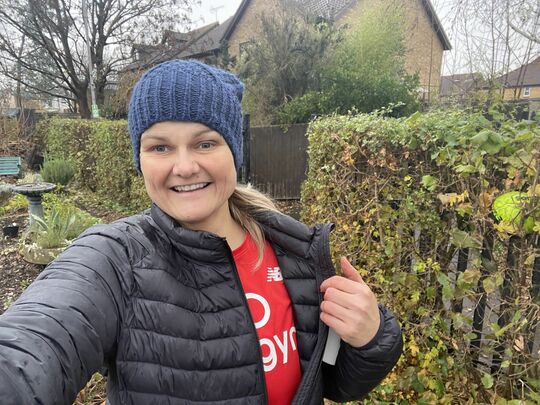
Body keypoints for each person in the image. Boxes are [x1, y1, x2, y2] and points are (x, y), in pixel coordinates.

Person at [0, 60, 402, 405]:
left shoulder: (294, 253)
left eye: (205, 143)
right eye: (160, 147)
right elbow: (34, 344)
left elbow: (334, 383)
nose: (185, 166)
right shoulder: (115, 259)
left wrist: (371, 337)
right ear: (140, 159)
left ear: (234, 151)